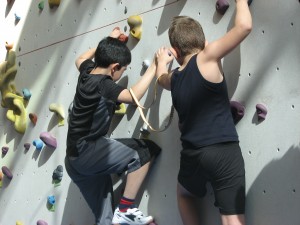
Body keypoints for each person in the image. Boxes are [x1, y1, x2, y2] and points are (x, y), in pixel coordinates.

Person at [155, 0, 252, 225]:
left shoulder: (175, 78)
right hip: (223, 152)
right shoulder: (208, 57)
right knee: (231, 219)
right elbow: (244, 27)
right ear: (203, 41)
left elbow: (161, 79)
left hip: (193, 155)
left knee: (184, 195)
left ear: (176, 51)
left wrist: (162, 61)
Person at [65, 27, 161, 225]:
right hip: (88, 151)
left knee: (105, 219)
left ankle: (117, 217)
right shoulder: (103, 84)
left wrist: (108, 40)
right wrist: (155, 65)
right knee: (145, 151)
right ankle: (125, 209)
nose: (121, 73)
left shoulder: (87, 72)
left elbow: (80, 58)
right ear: (114, 67)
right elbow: (133, 97)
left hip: (73, 162)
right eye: (123, 70)